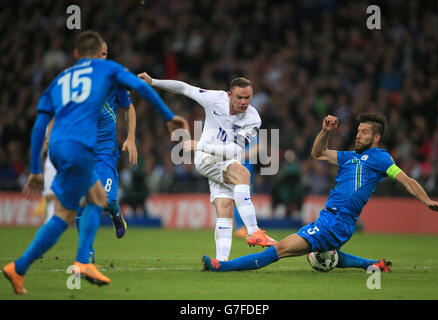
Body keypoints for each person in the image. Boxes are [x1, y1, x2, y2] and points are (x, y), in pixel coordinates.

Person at [3, 30, 188, 294]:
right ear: (99, 54)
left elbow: (40, 125)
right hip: (81, 148)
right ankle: (83, 261)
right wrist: (168, 115)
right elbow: (139, 86)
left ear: (76, 55)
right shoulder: (107, 70)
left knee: (72, 210)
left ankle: (18, 268)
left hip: (58, 148)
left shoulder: (59, 80)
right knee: (96, 201)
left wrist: (35, 168)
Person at [202, 113, 438, 272]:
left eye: (364, 132)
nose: (358, 135)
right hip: (330, 218)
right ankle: (372, 265)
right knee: (324, 255)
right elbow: (318, 153)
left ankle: (221, 267)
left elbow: (406, 179)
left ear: (377, 137)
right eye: (357, 130)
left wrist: (426, 200)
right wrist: (325, 131)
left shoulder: (381, 159)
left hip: (337, 220)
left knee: (278, 250)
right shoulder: (349, 157)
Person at [138, 73, 277, 262]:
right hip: (206, 158)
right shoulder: (214, 98)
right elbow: (185, 88)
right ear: (229, 95)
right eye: (239, 97)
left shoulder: (253, 118)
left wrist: (199, 144)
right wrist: (154, 82)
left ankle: (221, 262)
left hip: (222, 157)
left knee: (225, 207)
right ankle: (253, 231)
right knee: (243, 173)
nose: (244, 102)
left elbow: (232, 150)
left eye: (247, 98)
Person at [74, 40, 138, 263]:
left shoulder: (115, 78)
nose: (103, 57)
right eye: (99, 53)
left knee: (105, 199)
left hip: (105, 151)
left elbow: (128, 108)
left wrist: (130, 138)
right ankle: (87, 253)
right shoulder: (74, 81)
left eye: (105, 53)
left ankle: (115, 210)